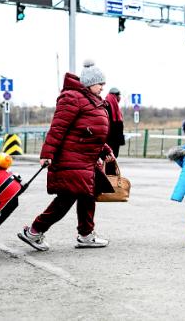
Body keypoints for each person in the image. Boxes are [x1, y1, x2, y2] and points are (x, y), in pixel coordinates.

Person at [17, 59, 116, 251]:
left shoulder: (91, 100)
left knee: (88, 195)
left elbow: (88, 131)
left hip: (84, 160)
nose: (103, 86)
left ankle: (86, 234)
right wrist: (47, 153)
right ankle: (35, 231)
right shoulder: (72, 97)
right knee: (66, 199)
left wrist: (105, 150)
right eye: (100, 82)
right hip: (71, 159)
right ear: (89, 83)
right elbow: (58, 128)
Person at [104, 87, 125, 175]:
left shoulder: (115, 106)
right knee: (109, 161)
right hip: (110, 140)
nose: (119, 98)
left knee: (112, 160)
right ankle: (110, 179)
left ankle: (111, 177)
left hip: (114, 140)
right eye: (118, 95)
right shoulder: (107, 105)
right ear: (115, 95)